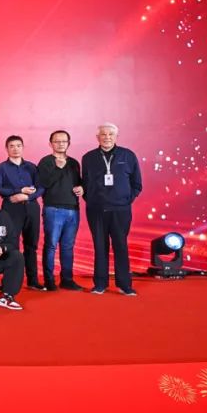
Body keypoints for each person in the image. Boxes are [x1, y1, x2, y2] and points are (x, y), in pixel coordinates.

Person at [81, 122, 142, 296]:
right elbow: (85, 183)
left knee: (120, 246)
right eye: (103, 134)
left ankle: (124, 285)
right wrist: (92, 199)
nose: (107, 137)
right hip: (96, 210)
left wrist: (125, 200)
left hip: (120, 210)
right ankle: (100, 284)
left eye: (110, 134)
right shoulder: (88, 158)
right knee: (100, 246)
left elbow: (137, 183)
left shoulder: (128, 155)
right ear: (97, 137)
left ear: (116, 137)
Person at [0, 135, 45, 290]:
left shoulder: (32, 167)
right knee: (11, 245)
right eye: (12, 146)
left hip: (31, 208)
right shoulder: (0, 168)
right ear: (6, 148)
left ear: (23, 147)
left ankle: (33, 281)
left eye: (18, 145)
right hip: (11, 209)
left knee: (31, 245)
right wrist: (18, 191)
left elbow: (41, 187)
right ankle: (10, 281)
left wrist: (27, 196)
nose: (15, 149)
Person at [38, 130, 84, 291]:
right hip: (53, 209)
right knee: (51, 245)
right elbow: (44, 183)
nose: (61, 144)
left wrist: (81, 188)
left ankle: (67, 279)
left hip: (73, 209)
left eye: (64, 141)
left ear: (68, 143)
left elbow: (79, 182)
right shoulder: (46, 162)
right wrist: (57, 168)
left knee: (68, 246)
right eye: (57, 141)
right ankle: (49, 280)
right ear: (50, 144)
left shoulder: (74, 163)